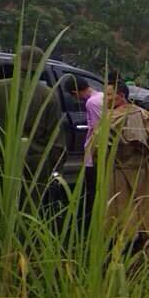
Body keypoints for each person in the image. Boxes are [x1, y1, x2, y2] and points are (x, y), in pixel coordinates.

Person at [0, 46, 66, 198]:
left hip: (3, 159)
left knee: (1, 206)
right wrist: (55, 168)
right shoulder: (48, 95)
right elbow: (55, 138)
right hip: (35, 163)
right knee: (30, 207)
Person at [100, 78, 149, 249]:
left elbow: (98, 148)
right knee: (143, 208)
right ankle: (142, 245)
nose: (105, 99)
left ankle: (121, 251)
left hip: (117, 174)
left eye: (108, 95)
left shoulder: (110, 119)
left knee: (119, 213)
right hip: (143, 173)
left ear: (120, 96)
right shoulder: (144, 115)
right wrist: (148, 164)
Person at [62, 74, 104, 223]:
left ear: (75, 92)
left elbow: (99, 130)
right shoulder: (102, 96)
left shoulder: (91, 103)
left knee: (92, 192)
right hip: (103, 155)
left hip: (93, 156)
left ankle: (91, 224)